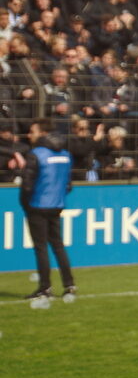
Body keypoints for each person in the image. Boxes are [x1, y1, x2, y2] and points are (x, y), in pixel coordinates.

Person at [20, 118, 76, 299]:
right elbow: (68, 185)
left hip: (37, 205)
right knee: (58, 245)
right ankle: (69, 284)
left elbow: (27, 185)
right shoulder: (66, 154)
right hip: (56, 204)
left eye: (33, 131)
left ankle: (45, 287)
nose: (30, 134)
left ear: (43, 133)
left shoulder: (36, 154)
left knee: (41, 247)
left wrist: (26, 204)